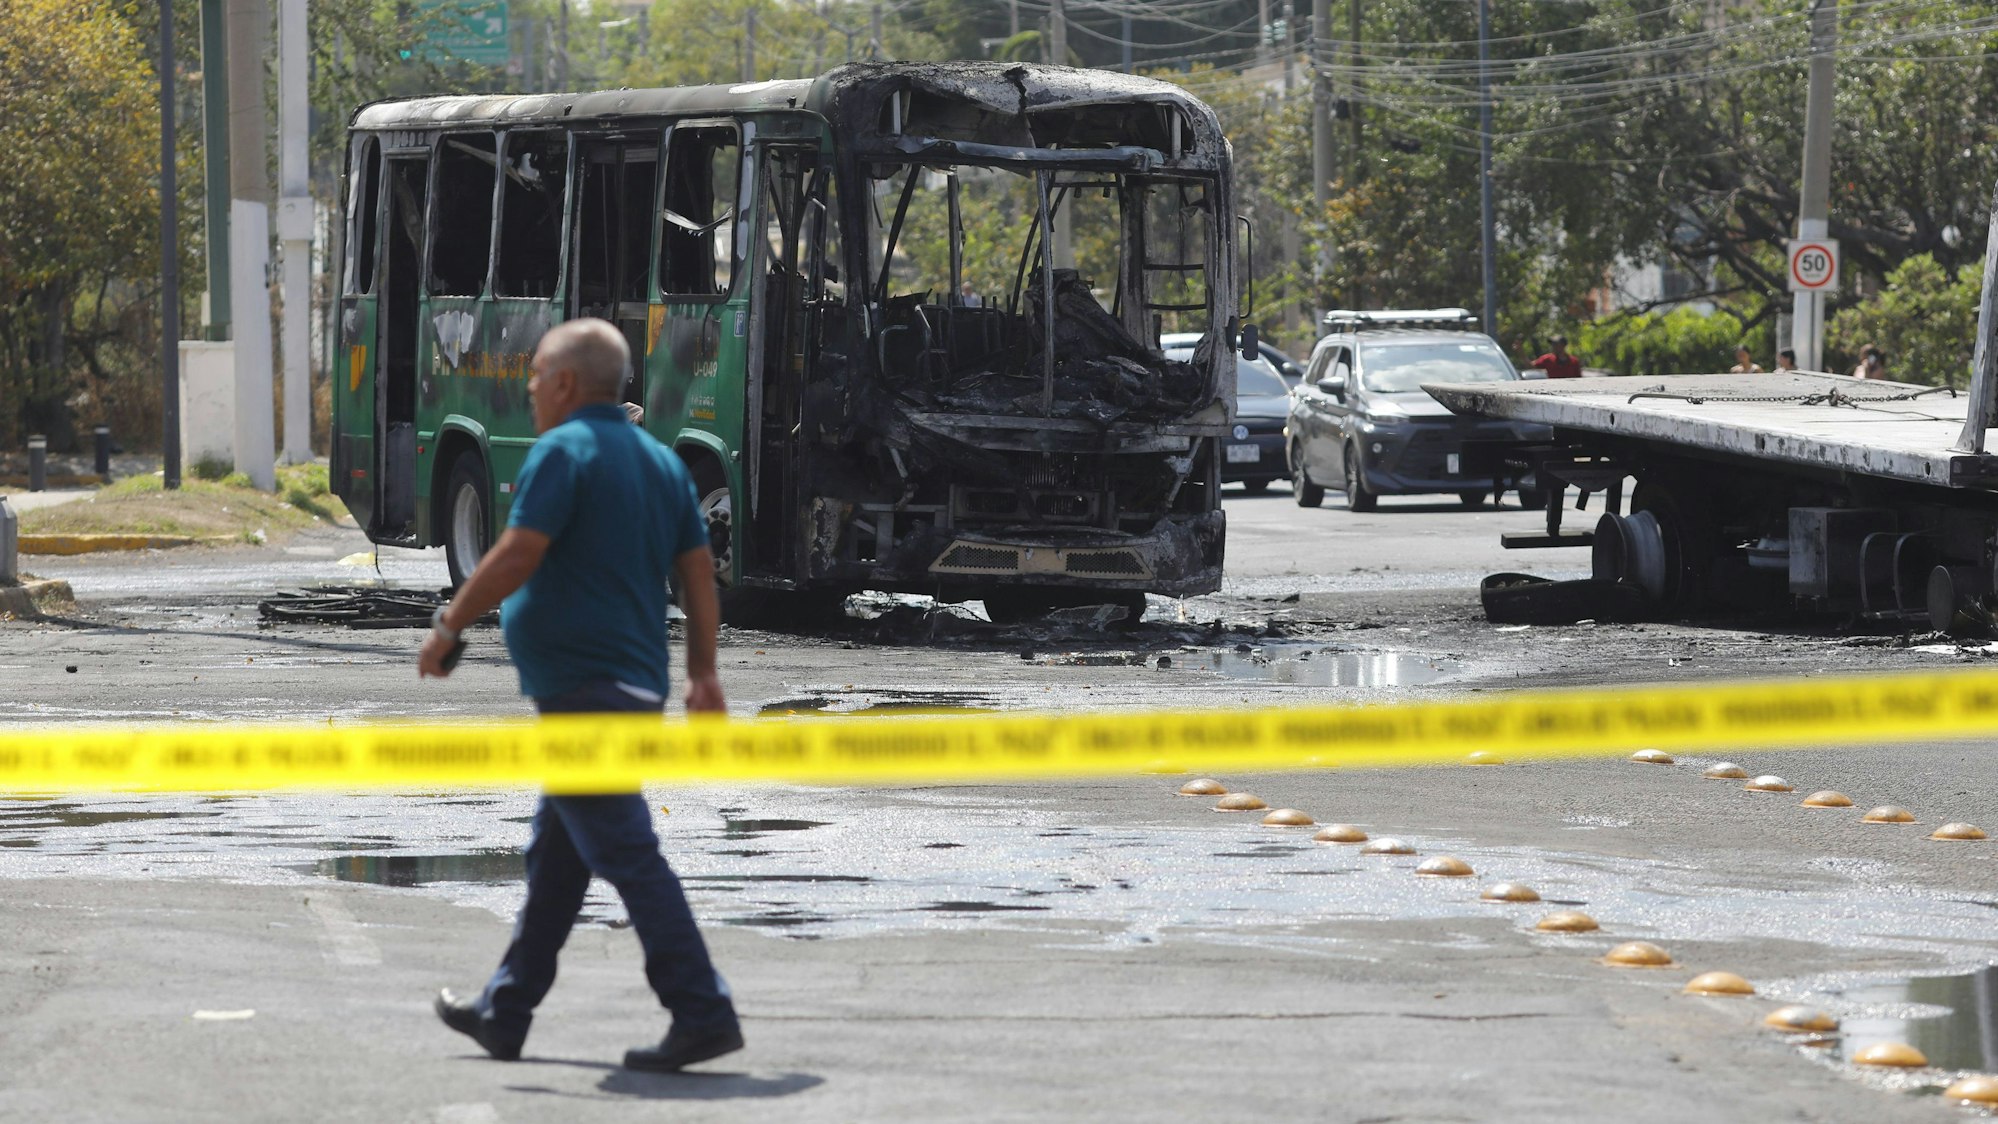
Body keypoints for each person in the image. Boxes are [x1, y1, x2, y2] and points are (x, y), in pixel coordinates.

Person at [418, 317, 741, 1073]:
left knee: (626, 852)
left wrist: (449, 625)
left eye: (535, 377)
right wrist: (702, 673)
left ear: (565, 383)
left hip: (585, 691)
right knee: (558, 857)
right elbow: (698, 574)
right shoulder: (659, 461)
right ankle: (505, 1012)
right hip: (630, 684)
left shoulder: (563, 451)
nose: (530, 390)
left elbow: (516, 553)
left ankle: (702, 1009)